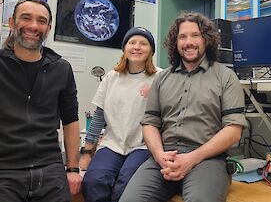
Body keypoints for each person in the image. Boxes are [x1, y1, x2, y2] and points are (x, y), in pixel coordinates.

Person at [119, 12, 248, 202]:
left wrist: (191, 158)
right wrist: (159, 154)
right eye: (182, 36)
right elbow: (150, 123)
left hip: (207, 159)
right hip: (164, 158)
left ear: (206, 39)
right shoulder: (162, 79)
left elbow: (233, 130)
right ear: (175, 42)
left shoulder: (226, 77)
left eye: (195, 35)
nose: (189, 42)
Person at [0, 0, 82, 202]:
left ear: (48, 28)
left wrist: (72, 168)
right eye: (26, 18)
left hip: (50, 169)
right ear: (12, 23)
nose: (33, 26)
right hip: (6, 170)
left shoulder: (62, 68)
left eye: (41, 21)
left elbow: (70, 120)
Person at [80, 27, 161, 202]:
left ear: (151, 50)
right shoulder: (111, 77)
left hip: (143, 146)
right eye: (132, 42)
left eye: (143, 43)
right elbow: (99, 117)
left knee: (127, 185)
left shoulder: (160, 78)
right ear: (124, 48)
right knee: (94, 181)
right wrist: (86, 152)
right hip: (112, 144)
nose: (137, 47)